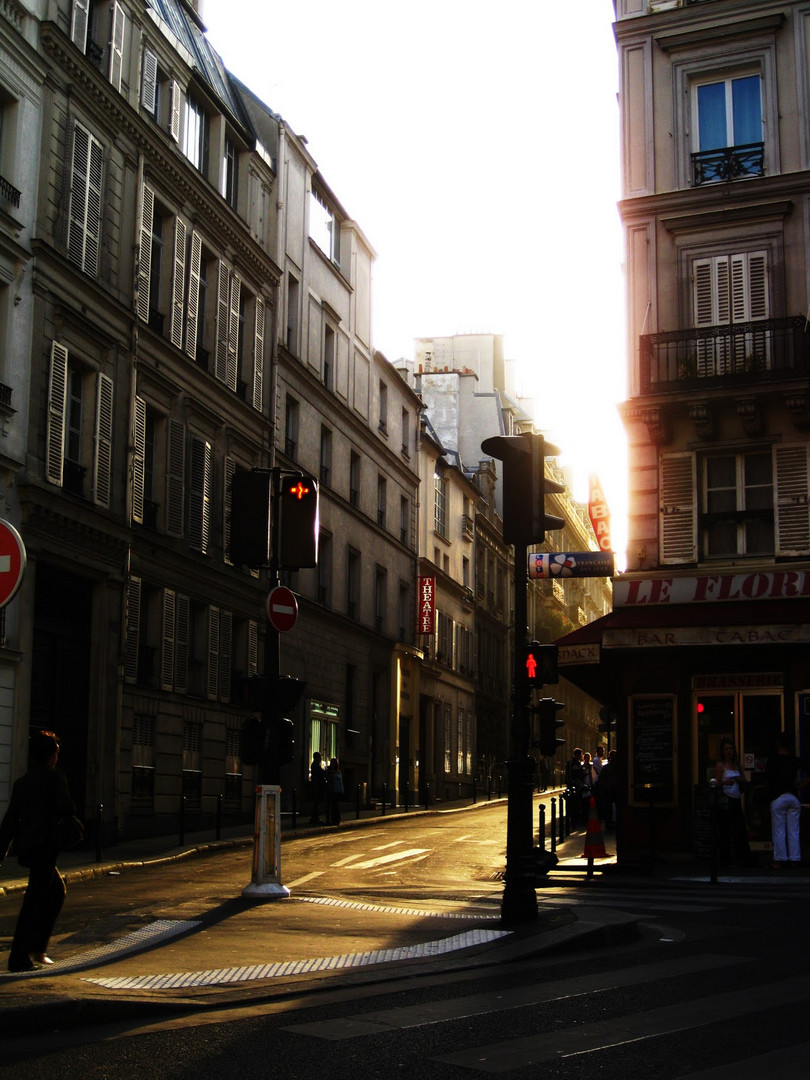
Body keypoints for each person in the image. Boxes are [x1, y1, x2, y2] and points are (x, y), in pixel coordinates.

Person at [0, 730, 79, 972]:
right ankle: (21, 956)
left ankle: (35, 948)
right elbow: (66, 807)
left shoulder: (22, 783)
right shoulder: (54, 779)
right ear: (51, 755)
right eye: (56, 752)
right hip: (45, 846)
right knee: (36, 901)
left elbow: (11, 820)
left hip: (29, 847)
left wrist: (1, 850)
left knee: (54, 891)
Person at [766, 734, 810, 869]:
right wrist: (802, 785)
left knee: (779, 829)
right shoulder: (794, 760)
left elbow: (768, 780)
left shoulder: (773, 760)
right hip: (793, 796)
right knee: (794, 830)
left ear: (778, 744)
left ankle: (779, 859)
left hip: (778, 796)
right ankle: (794, 859)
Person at [714, 739, 754, 866]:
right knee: (725, 829)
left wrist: (739, 779)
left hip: (736, 799)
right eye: (726, 749)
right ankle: (726, 858)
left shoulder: (737, 764)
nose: (729, 752)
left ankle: (741, 856)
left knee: (739, 829)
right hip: (726, 799)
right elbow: (715, 783)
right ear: (722, 751)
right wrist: (724, 782)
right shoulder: (720, 766)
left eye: (731, 749)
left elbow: (744, 780)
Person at [595, 749, 619, 830]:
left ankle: (609, 823)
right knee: (610, 808)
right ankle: (610, 823)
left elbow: (601, 780)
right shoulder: (615, 767)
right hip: (612, 790)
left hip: (609, 790)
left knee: (609, 808)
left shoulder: (607, 767)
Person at [565, 748, 585, 827]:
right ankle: (571, 819)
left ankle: (576, 819)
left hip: (578, 786)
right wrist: (571, 784)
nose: (580, 756)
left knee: (577, 804)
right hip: (573, 787)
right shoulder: (571, 763)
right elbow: (569, 775)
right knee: (571, 803)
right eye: (580, 754)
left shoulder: (578, 763)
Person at [309, 752, 327, 824]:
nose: (320, 759)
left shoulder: (315, 765)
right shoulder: (315, 765)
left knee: (316, 803)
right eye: (320, 757)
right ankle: (315, 818)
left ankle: (315, 817)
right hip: (317, 786)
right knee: (316, 803)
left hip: (317, 786)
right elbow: (321, 773)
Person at [326, 757, 344, 826]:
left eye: (334, 763)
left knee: (335, 806)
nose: (332, 764)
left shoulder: (338, 771)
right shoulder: (329, 771)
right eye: (332, 763)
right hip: (331, 790)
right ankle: (332, 819)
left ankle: (336, 819)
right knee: (332, 806)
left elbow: (340, 782)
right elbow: (328, 778)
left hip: (337, 791)